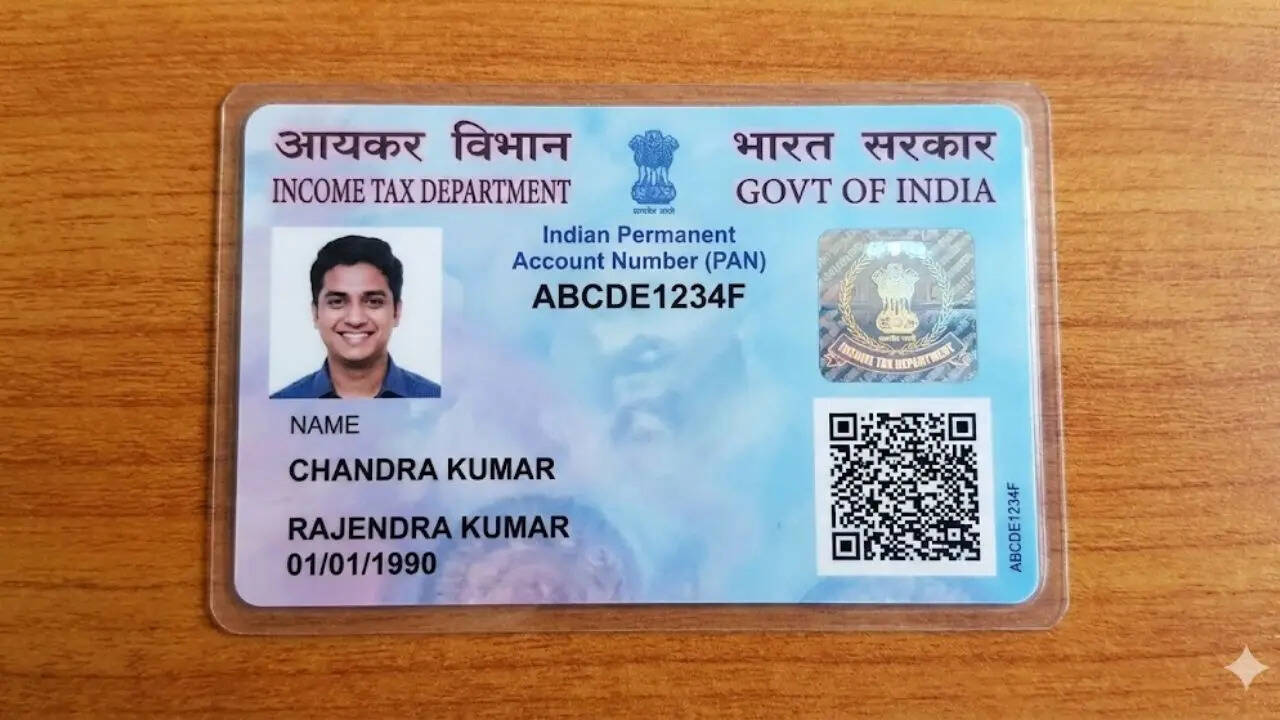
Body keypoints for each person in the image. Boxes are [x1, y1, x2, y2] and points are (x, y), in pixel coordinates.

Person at [271, 235, 441, 399]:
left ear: (396, 312)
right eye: (337, 302)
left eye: (373, 302)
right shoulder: (278, 406)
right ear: (315, 313)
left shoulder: (438, 401)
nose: (355, 319)